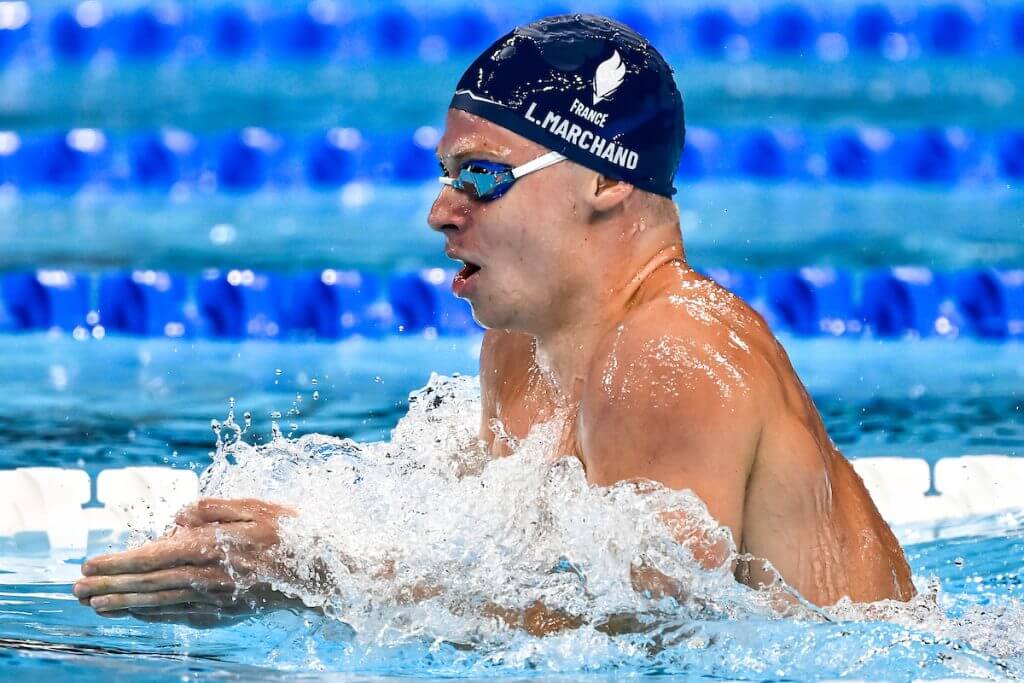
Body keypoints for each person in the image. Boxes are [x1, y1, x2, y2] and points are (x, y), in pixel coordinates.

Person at [73, 14, 915, 632]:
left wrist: (320, 575)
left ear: (604, 180)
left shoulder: (673, 349)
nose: (442, 210)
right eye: (446, 173)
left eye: (482, 175)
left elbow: (650, 640)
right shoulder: (519, 350)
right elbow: (489, 569)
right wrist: (274, 546)